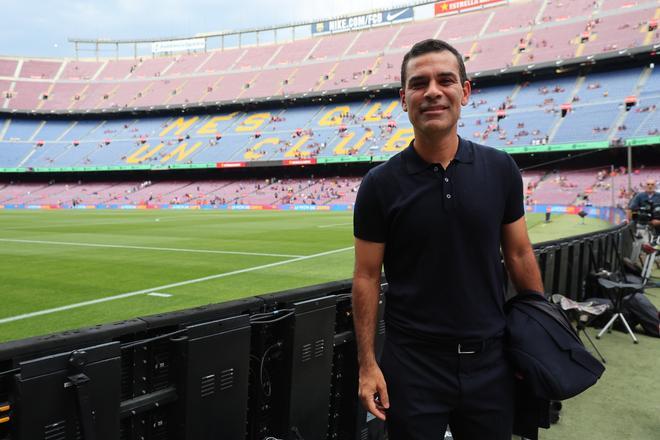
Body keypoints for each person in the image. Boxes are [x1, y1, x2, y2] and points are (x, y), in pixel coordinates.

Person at [351, 39, 544, 439]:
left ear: (465, 91)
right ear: (404, 99)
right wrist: (368, 364)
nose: (433, 92)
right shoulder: (379, 185)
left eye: (446, 80)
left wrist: (540, 336)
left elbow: (521, 253)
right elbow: (366, 277)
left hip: (492, 359)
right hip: (411, 364)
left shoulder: (501, 169)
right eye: (419, 84)